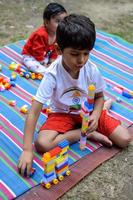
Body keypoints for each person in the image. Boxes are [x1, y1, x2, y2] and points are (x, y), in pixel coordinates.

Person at [18, 14, 131, 176]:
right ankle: (85, 133)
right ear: (58, 50)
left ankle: (101, 114)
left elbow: (99, 96)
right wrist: (27, 150)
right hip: (62, 113)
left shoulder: (91, 69)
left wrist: (97, 114)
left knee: (124, 139)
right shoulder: (52, 74)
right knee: (42, 144)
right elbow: (34, 111)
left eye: (86, 53)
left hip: (88, 112)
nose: (81, 60)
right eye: (75, 54)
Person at [22, 2, 67, 74]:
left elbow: (56, 49)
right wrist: (43, 63)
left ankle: (49, 68)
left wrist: (51, 61)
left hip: (45, 55)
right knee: (35, 66)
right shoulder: (41, 35)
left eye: (64, 21)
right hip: (31, 55)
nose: (62, 25)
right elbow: (37, 51)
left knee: (62, 57)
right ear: (46, 22)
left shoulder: (59, 34)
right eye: (58, 21)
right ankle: (47, 73)